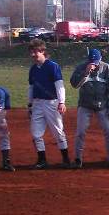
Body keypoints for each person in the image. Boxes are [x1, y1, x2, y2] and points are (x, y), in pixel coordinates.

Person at [70, 48, 109, 169]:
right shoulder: (82, 67)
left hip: (103, 105)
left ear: (100, 59)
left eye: (96, 62)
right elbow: (74, 84)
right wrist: (85, 73)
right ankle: (77, 159)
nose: (94, 64)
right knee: (80, 132)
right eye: (92, 62)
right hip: (85, 105)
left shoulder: (106, 68)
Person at [27, 38, 70, 169]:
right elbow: (31, 87)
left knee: (58, 131)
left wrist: (61, 102)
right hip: (37, 103)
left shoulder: (52, 66)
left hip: (52, 103)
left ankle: (66, 159)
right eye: (31, 52)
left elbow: (59, 85)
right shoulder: (33, 69)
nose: (33, 55)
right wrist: (30, 104)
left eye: (35, 52)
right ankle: (42, 160)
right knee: (36, 133)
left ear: (42, 51)